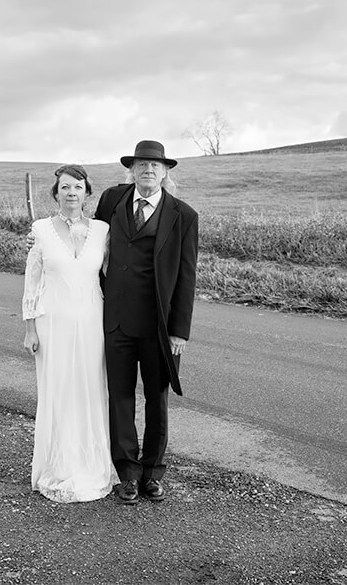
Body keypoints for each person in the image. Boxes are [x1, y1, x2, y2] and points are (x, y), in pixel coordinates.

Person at [94, 140, 198, 504]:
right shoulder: (111, 201)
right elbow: (89, 241)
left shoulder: (183, 216)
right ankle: (127, 473)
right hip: (117, 321)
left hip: (160, 327)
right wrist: (42, 238)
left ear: (165, 172)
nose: (148, 171)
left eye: (155, 166)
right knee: (119, 398)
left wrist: (179, 331)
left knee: (157, 400)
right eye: (141, 165)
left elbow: (187, 277)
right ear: (132, 170)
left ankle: (152, 472)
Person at [22, 164, 118, 503]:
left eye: (78, 187)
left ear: (87, 192)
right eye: (65, 187)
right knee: (59, 391)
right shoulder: (40, 230)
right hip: (53, 322)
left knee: (91, 390)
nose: (72, 193)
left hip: (93, 320)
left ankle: (92, 465)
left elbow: (116, 272)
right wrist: (30, 327)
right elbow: (32, 280)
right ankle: (59, 467)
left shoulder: (103, 230)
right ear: (56, 193)